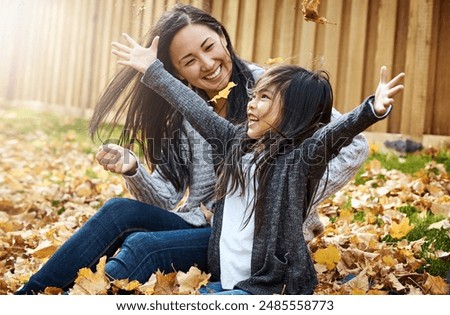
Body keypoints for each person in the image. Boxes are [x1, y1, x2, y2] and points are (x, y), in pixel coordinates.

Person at [15, 4, 367, 295]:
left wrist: (276, 196)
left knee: (141, 246)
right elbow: (167, 199)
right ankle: (29, 297)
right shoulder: (186, 116)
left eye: (209, 46)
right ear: (178, 73)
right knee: (118, 212)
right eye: (189, 60)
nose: (208, 63)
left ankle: (88, 299)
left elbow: (354, 145)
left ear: (223, 40)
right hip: (206, 227)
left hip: (256, 243)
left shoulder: (272, 89)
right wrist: (133, 169)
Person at [114, 33, 405, 294]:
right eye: (254, 95)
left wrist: (370, 111)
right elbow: (194, 109)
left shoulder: (298, 161)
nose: (251, 103)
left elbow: (333, 134)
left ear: (293, 112)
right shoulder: (233, 142)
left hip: (268, 288)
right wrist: (154, 70)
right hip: (225, 282)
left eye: (264, 97)